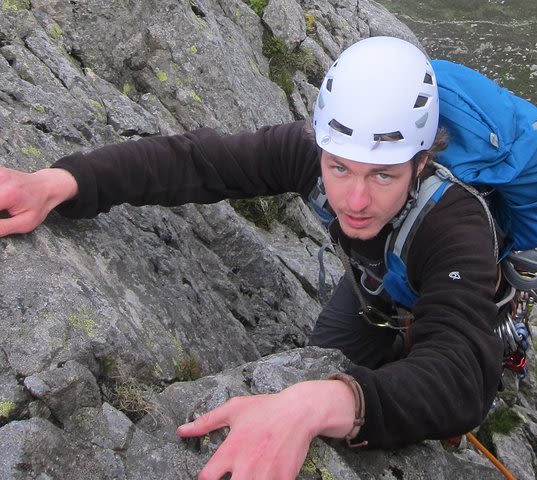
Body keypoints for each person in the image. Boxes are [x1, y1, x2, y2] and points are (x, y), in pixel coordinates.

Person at [0, 36, 503, 479]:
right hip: (373, 291)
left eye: (383, 176)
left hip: (440, 293)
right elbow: (197, 161)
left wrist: (318, 406)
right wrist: (61, 182)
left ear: (421, 164)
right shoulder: (311, 153)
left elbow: (463, 375)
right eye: (340, 169)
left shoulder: (455, 224)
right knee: (315, 372)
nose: (353, 201)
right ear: (323, 146)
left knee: (324, 395)